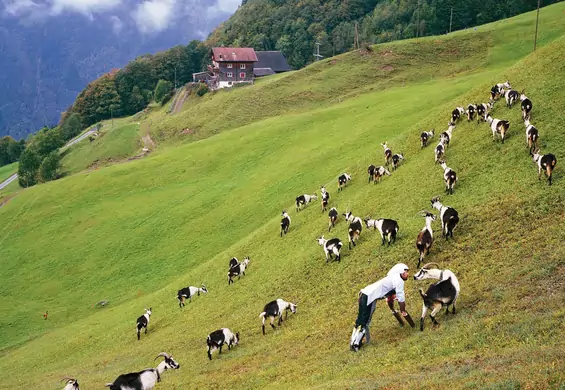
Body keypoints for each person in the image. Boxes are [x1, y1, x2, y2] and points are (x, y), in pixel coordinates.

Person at [350, 263, 410, 351]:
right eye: (406, 272)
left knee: (360, 321)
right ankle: (355, 345)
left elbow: (391, 296)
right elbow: (401, 297)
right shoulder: (398, 280)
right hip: (369, 297)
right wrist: (402, 310)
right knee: (364, 321)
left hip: (364, 294)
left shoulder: (391, 278)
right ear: (401, 273)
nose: (407, 274)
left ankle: (354, 342)